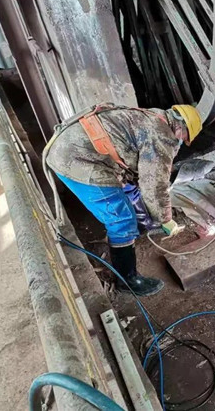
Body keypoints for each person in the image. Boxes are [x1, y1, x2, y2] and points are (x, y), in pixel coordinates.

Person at [45, 103, 202, 296]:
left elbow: (133, 165)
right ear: (181, 128)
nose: (180, 143)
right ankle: (128, 281)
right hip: (79, 161)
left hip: (71, 148)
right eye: (184, 139)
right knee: (121, 219)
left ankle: (136, 230)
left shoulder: (152, 116)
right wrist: (165, 219)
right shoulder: (162, 136)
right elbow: (154, 185)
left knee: (130, 190)